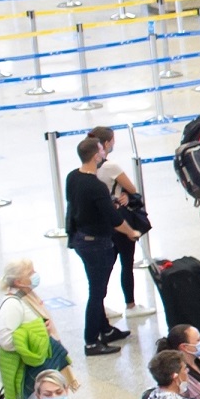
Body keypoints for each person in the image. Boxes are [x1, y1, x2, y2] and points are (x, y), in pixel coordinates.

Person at [60, 139, 137, 353]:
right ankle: (91, 340)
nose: (105, 152)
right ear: (96, 155)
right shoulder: (96, 185)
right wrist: (131, 232)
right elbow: (114, 219)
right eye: (102, 149)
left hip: (80, 237)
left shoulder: (72, 177)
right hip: (95, 243)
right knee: (97, 291)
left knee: (98, 288)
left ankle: (104, 328)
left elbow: (81, 205)